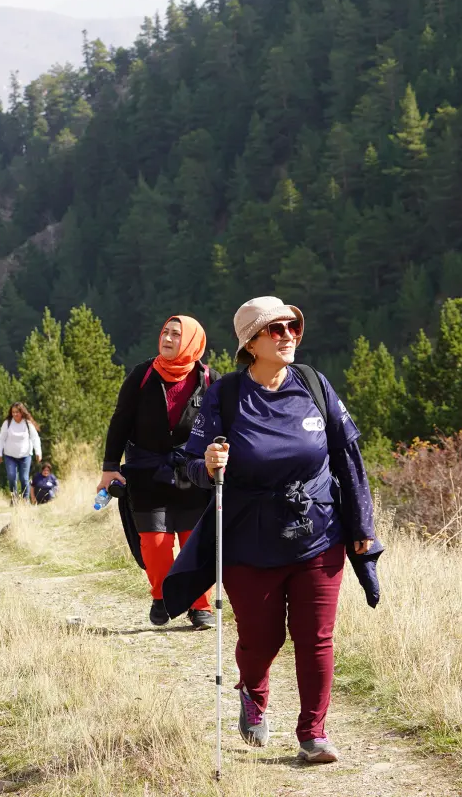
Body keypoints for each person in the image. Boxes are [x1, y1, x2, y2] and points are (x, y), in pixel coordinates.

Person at [162, 296, 382, 765]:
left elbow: (348, 456)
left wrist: (362, 525)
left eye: (292, 327)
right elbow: (191, 466)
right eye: (275, 329)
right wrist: (207, 464)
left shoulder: (314, 385)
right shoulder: (224, 396)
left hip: (319, 532)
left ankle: (313, 733)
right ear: (251, 342)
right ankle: (253, 693)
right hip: (248, 539)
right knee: (262, 639)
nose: (288, 335)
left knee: (316, 635)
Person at [99, 315, 215, 630]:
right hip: (146, 471)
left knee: (194, 541)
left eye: (176, 334)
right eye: (165, 331)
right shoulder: (142, 375)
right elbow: (120, 421)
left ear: (192, 341)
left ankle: (199, 605)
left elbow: (226, 426)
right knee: (154, 542)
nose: (167, 338)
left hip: (191, 472)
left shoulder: (209, 380)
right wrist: (110, 468)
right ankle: (161, 595)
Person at [0, 402, 42, 504]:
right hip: (10, 456)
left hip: (25, 456)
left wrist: (38, 452)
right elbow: (1, 439)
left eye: (17, 412)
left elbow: (35, 438)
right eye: (13, 412)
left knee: (24, 478)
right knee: (12, 477)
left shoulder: (27, 424)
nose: (15, 414)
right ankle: (14, 498)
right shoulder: (7, 423)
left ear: (22, 412)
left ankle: (25, 499)